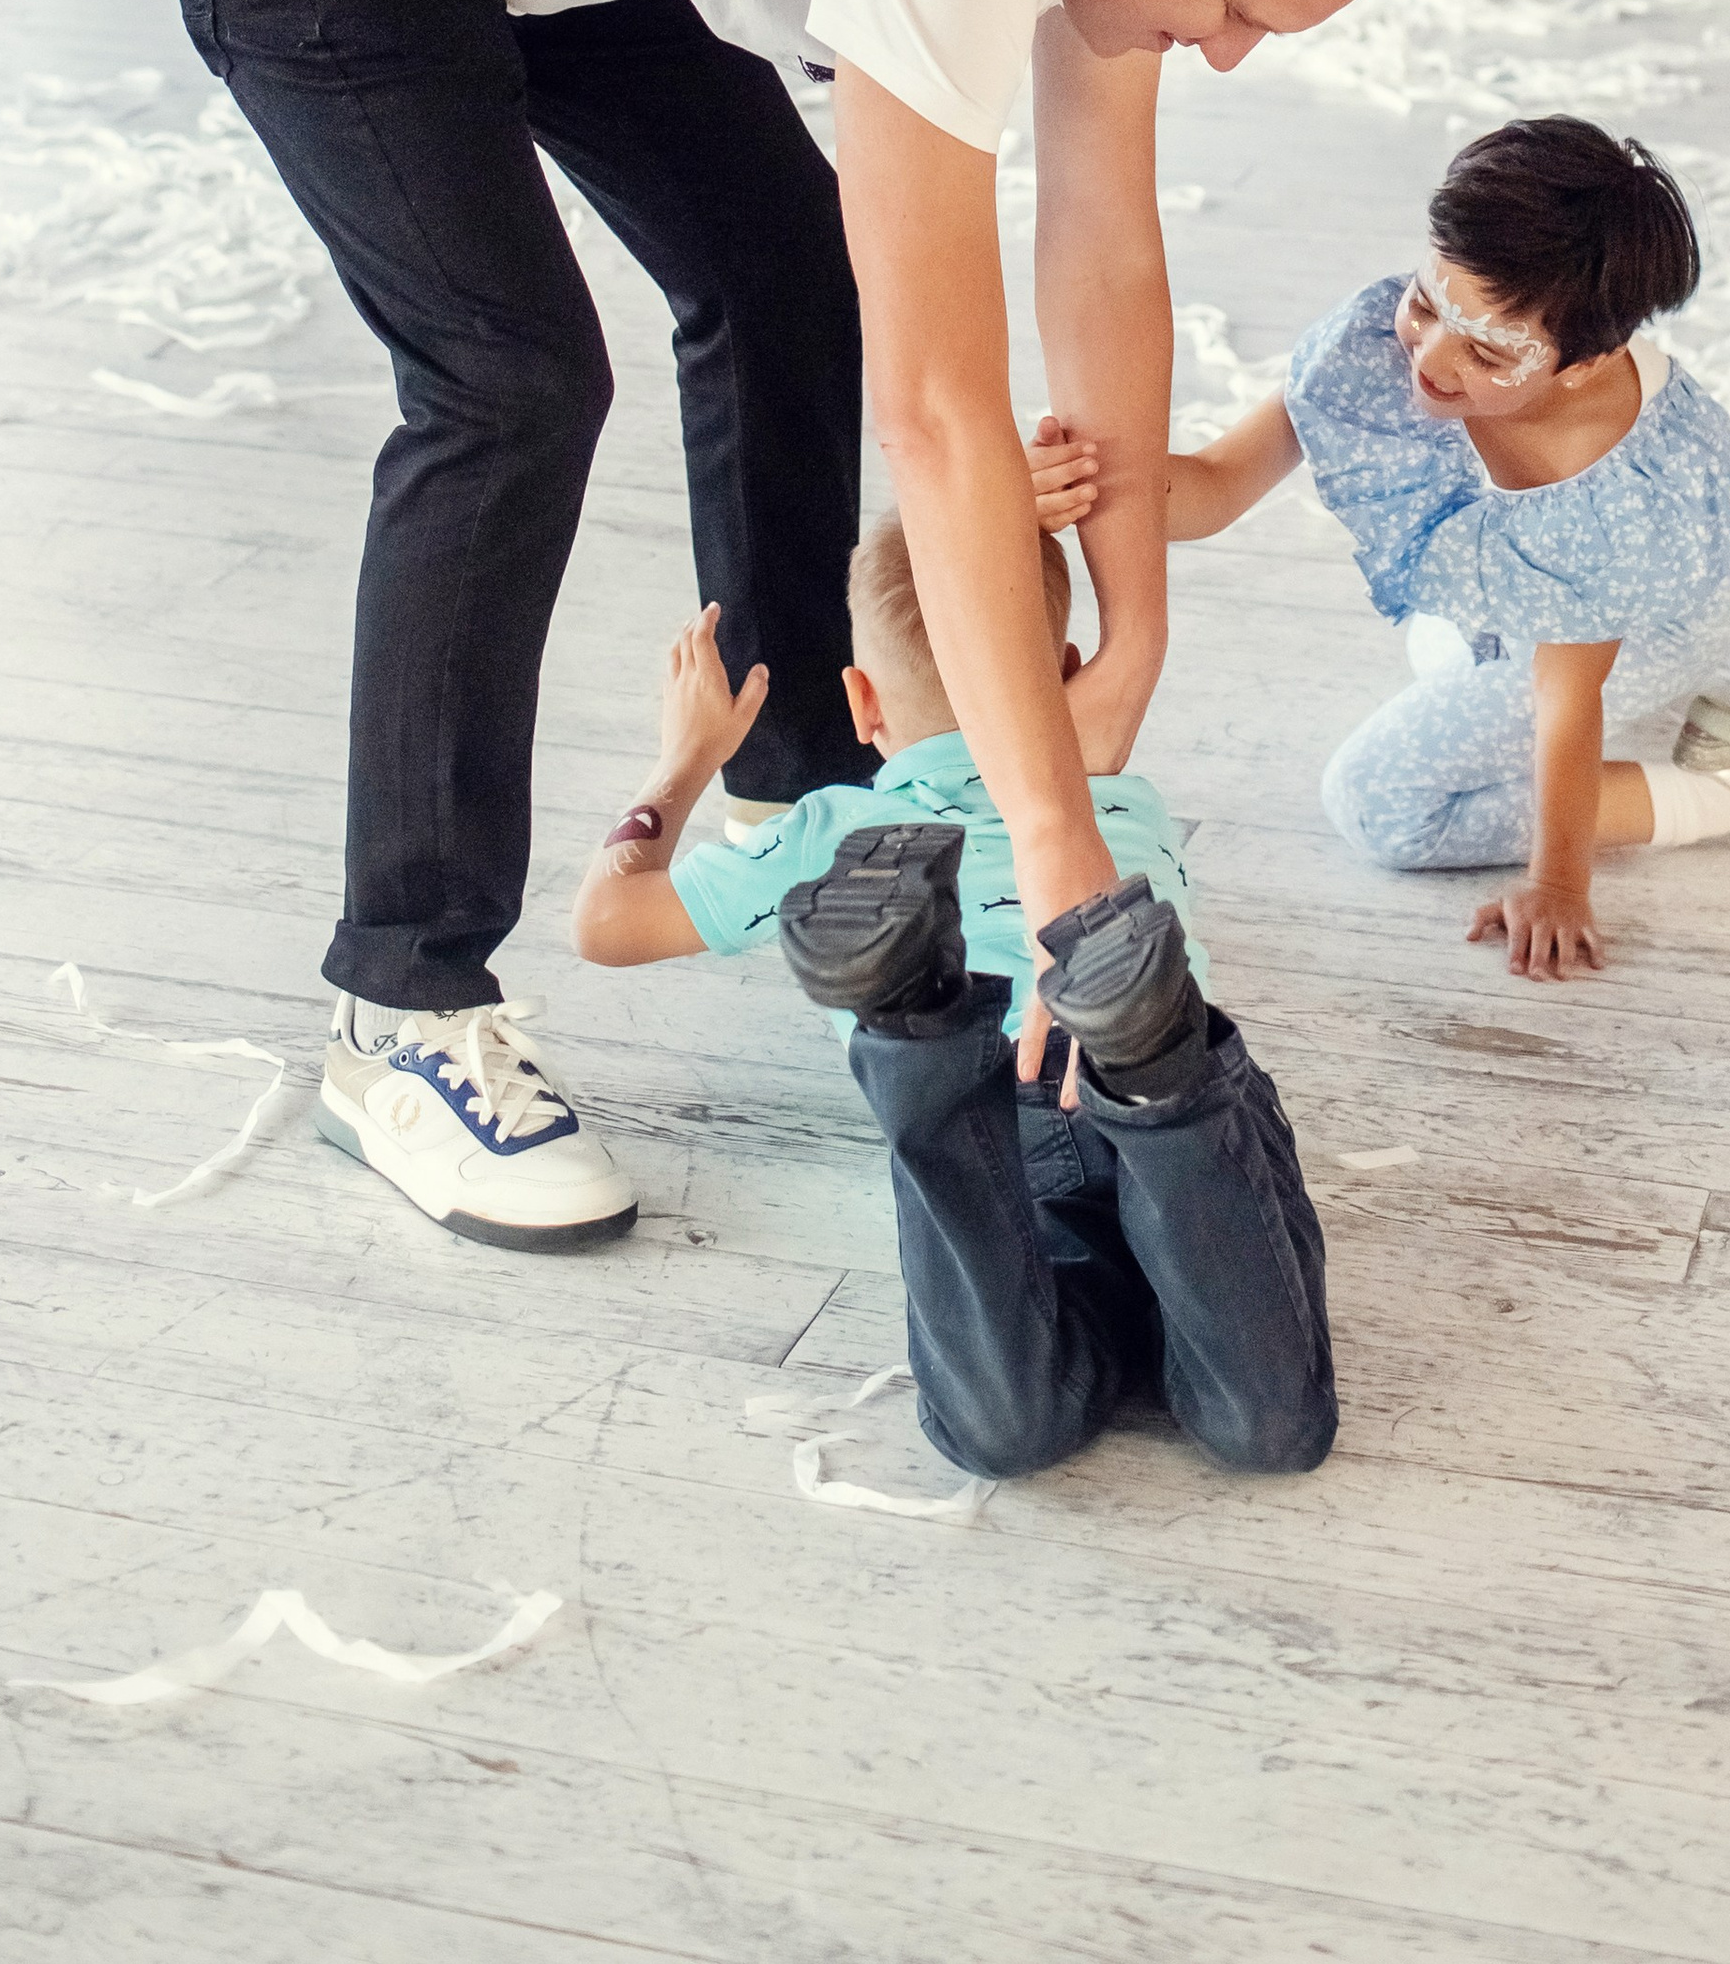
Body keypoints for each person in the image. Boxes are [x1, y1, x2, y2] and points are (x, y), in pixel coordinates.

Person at [138, 0, 1401, 1250]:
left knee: (785, 276)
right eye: (1244, 9)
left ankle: (802, 785)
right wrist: (1054, 849)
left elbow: (1102, 250)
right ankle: (402, 1013)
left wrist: (1139, 636)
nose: (1236, 51)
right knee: (508, 380)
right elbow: (946, 404)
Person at [1030, 116, 1730, 988]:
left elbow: (1568, 703)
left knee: (1382, 807)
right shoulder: (1391, 339)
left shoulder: (1597, 500)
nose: (1433, 359)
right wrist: (1087, 486)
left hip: (1631, 638)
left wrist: (1557, 881)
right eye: (1426, 301)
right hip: (1592, 597)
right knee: (1436, 643)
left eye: (1488, 352)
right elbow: (1216, 489)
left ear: (1586, 364)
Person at [568, 518, 1336, 1482]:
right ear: (1062, 670)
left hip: (996, 1121)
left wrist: (682, 761)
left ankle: (920, 1031)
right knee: (1269, 1432)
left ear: (861, 702)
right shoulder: (1108, 785)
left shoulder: (837, 831)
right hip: (1160, 1111)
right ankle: (1157, 1071)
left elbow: (606, 921)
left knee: (1007, 1435)